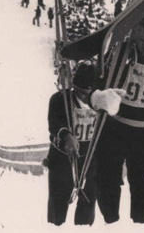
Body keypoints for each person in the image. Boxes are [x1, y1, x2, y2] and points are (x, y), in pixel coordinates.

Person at [70, 8, 144, 224]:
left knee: (143, 184)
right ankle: (111, 222)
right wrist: (97, 96)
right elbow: (91, 82)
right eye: (141, 40)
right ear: (133, 33)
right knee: (107, 180)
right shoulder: (117, 54)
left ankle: (138, 225)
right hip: (114, 128)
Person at [45, 63, 109, 226]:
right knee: (58, 198)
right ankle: (55, 225)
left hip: (90, 155)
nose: (83, 97)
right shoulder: (60, 100)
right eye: (79, 92)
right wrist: (66, 135)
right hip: (62, 156)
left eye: (87, 93)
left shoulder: (102, 105)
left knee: (89, 197)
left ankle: (83, 226)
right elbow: (54, 124)